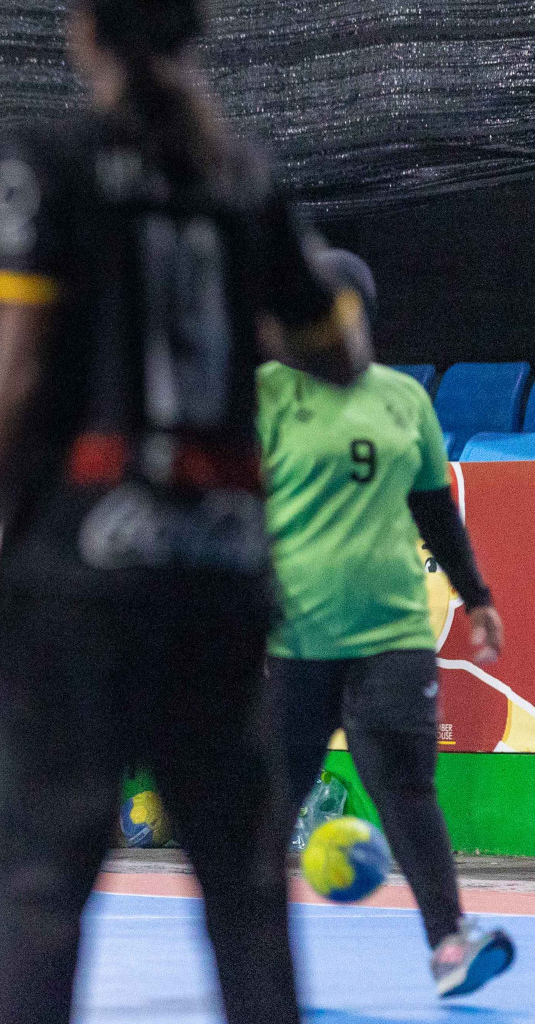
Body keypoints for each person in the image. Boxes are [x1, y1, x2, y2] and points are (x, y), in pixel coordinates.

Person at [0, 0, 372, 1020]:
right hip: (216, 568)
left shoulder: (52, 163)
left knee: (42, 875)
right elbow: (339, 354)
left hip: (79, 566)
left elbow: (17, 373)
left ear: (85, 32)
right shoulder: (244, 176)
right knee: (244, 886)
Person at [261, 249, 515, 997]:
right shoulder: (267, 396)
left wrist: (478, 596)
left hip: (393, 633)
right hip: (298, 634)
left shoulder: (403, 400)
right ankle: (252, 952)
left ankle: (451, 947)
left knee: (405, 787)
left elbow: (435, 508)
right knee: (275, 795)